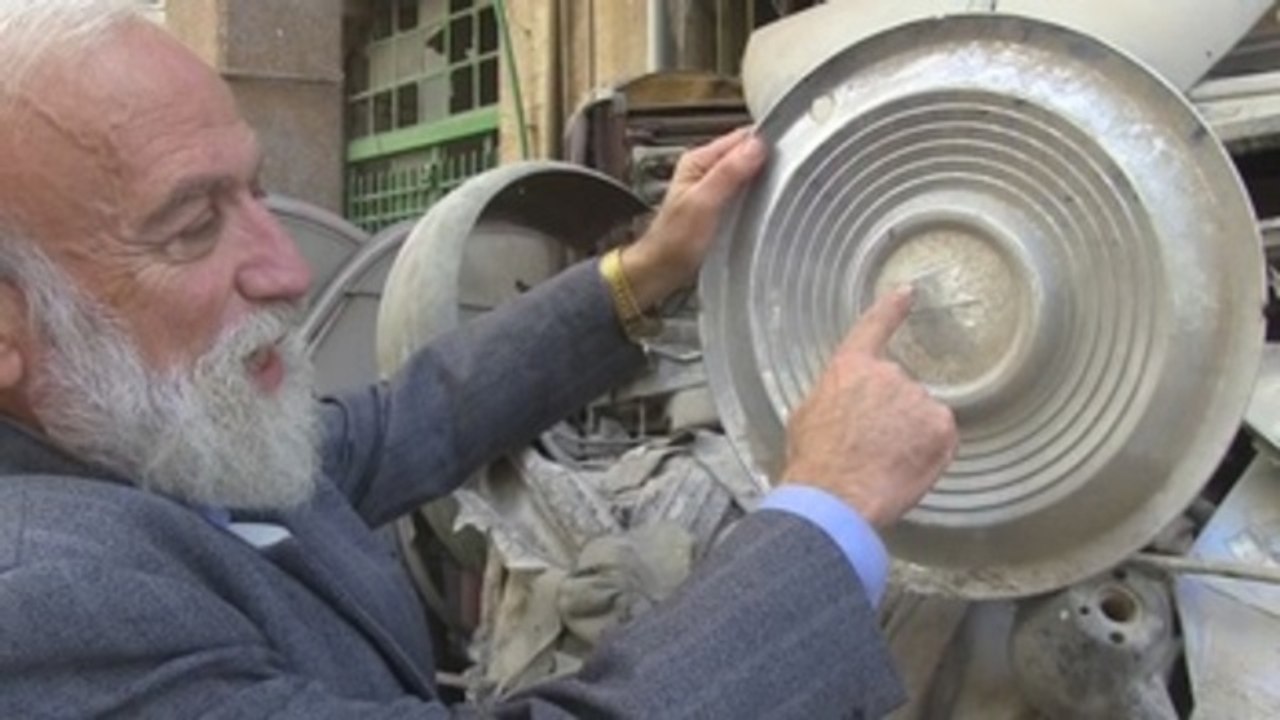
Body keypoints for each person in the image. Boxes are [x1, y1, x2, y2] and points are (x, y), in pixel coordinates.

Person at [0, 1, 956, 718]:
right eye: (194, 225)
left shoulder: (149, 436)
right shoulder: (41, 613)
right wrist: (826, 517)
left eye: (257, 190)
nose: (287, 268)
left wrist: (645, 270)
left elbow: (401, 424)